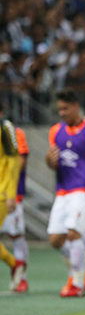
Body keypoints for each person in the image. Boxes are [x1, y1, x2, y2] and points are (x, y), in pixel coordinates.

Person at [46, 91, 85, 297]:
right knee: (56, 239)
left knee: (73, 234)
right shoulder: (55, 131)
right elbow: (53, 163)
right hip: (63, 190)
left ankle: (77, 283)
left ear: (76, 106)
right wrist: (50, 161)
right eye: (60, 109)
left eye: (65, 108)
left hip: (84, 190)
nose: (62, 113)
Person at [1, 126, 28, 293]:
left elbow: (19, 161)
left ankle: (21, 277)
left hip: (5, 193)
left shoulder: (10, 130)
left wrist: (12, 193)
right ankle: (15, 264)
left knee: (16, 235)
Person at [0, 106, 21, 289]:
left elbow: (14, 161)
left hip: (2, 191)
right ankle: (15, 265)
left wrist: (11, 194)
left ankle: (15, 264)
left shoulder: (4, 126)